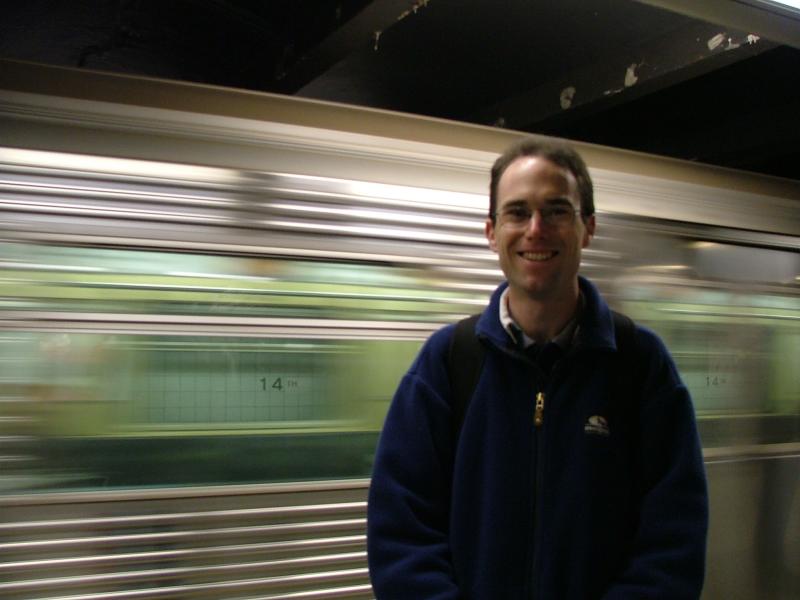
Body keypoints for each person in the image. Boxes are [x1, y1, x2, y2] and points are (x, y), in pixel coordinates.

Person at [367, 135, 708, 599]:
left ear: (588, 227)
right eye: (517, 212)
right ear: (491, 231)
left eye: (556, 210)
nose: (535, 229)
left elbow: (673, 542)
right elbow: (401, 535)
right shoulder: (447, 364)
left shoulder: (641, 366)